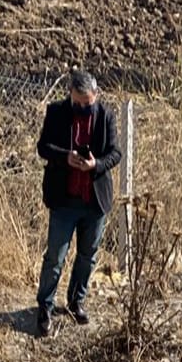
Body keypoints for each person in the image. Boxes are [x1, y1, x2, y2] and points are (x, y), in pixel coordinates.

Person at [35, 70, 122, 338]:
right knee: (55, 257)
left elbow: (115, 153)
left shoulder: (105, 116)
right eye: (77, 102)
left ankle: (75, 302)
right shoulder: (57, 112)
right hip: (64, 199)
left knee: (88, 255)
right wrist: (65, 157)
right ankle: (45, 308)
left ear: (96, 95)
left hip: (94, 200)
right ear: (70, 95)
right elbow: (43, 147)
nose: (82, 107)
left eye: (87, 102)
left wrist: (96, 164)